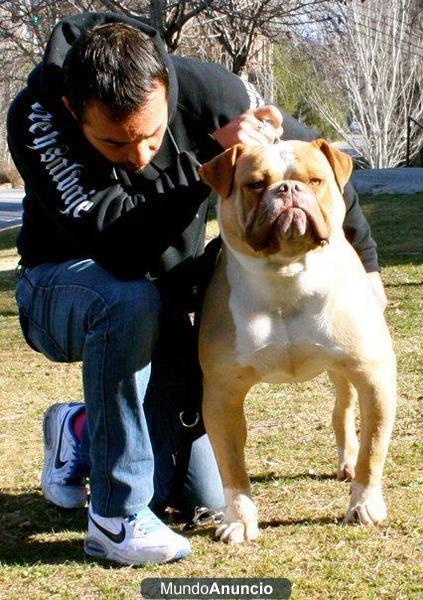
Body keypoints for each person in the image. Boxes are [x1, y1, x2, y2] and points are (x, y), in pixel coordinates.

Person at [7, 12, 386, 566]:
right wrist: (205, 160)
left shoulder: (215, 93)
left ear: (165, 84)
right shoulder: (37, 116)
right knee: (124, 298)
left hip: (167, 296)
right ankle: (115, 518)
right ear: (73, 110)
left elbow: (313, 169)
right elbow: (117, 245)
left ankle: (84, 428)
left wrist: (369, 266)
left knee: (193, 498)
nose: (138, 156)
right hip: (69, 285)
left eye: (150, 135)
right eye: (114, 143)